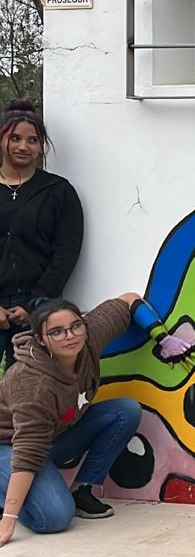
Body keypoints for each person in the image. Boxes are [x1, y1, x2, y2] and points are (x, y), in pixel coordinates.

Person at [0, 294, 195, 546]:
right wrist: (9, 519)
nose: (70, 336)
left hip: (50, 439)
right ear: (41, 340)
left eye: (75, 326)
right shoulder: (32, 382)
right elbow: (28, 452)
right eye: (57, 332)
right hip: (9, 446)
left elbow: (128, 300)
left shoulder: (88, 337)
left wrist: (162, 337)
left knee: (124, 411)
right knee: (54, 518)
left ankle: (83, 491)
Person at [0, 100, 84, 370]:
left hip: (37, 310)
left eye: (32, 140)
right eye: (15, 138)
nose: (23, 146)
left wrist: (34, 304)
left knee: (29, 391)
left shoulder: (58, 192)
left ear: (41, 146)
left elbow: (66, 254)